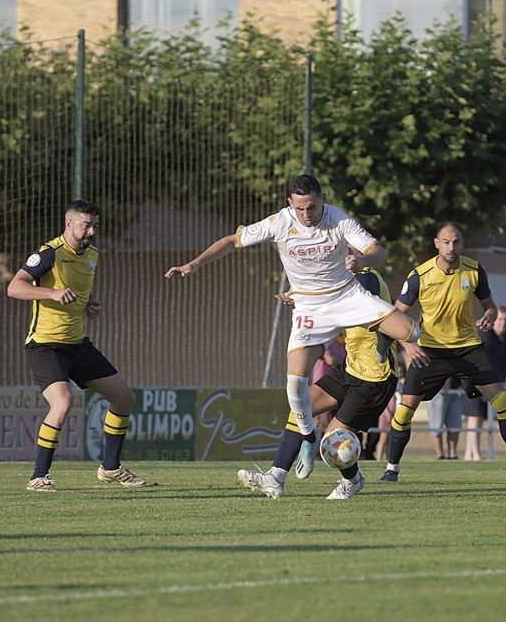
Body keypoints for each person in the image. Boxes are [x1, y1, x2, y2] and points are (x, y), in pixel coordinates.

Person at [165, 174, 426, 480]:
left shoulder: (339, 220)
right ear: (290, 204)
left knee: (413, 331)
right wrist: (194, 264)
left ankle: (336, 468)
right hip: (311, 309)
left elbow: (378, 252)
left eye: (312, 207)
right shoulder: (279, 222)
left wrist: (363, 259)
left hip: (347, 297)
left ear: (322, 199)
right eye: (300, 208)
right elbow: (231, 242)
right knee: (293, 385)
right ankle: (297, 451)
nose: (307, 215)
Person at [379, 223, 506, 484]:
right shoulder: (419, 275)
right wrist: (408, 344)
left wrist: (490, 316)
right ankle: (391, 469)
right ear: (437, 242)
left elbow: (489, 306)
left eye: (456, 241)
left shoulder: (474, 270)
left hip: (469, 348)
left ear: (462, 243)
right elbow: (394, 314)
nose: (451, 247)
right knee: (404, 411)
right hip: (431, 352)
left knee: (502, 402)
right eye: (446, 242)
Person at [7, 199, 148, 492]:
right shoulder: (49, 253)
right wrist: (52, 293)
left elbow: (79, 294)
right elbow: (14, 287)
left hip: (77, 345)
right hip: (45, 346)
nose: (91, 231)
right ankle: (39, 476)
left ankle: (110, 468)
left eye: (94, 225)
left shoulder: (93, 255)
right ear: (69, 223)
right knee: (63, 402)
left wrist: (89, 305)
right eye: (86, 225)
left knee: (124, 398)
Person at [239, 268, 398, 500]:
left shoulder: (365, 278)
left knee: (334, 441)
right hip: (350, 367)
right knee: (300, 409)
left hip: (375, 377)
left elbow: (377, 317)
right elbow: (340, 329)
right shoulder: (335, 282)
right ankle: (275, 477)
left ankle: (352, 481)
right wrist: (304, 304)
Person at [461, 306, 506, 461]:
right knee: (475, 416)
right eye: (500, 319)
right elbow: (481, 361)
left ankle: (471, 454)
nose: (503, 322)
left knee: (484, 417)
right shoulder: (485, 334)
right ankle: (474, 454)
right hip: (476, 379)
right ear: (494, 321)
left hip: (494, 382)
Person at [428, 379, 462, 460]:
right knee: (436, 425)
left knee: (455, 425)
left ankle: (453, 454)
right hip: (437, 391)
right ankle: (440, 455)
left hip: (456, 390)